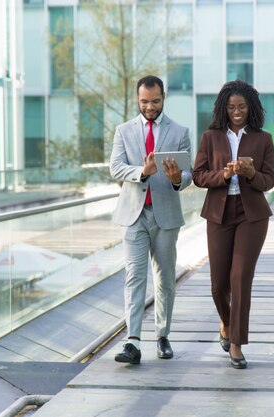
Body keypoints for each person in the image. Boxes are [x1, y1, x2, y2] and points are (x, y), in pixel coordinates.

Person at [192, 80, 274, 369]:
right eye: (231, 107)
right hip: (219, 213)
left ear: (250, 107)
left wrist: (252, 173)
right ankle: (226, 324)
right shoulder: (210, 137)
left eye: (241, 107)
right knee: (218, 284)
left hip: (252, 215)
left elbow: (269, 181)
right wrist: (223, 176)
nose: (236, 112)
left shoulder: (263, 139)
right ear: (223, 109)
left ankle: (237, 344)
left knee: (240, 278)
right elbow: (199, 176)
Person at [110, 75, 192, 364]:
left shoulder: (180, 131)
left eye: (155, 101)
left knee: (165, 278)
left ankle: (162, 335)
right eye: (144, 101)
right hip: (133, 216)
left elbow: (187, 175)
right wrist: (141, 172)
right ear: (137, 99)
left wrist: (175, 179)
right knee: (134, 277)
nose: (150, 106)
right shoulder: (124, 131)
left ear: (163, 97)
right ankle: (132, 341)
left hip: (166, 216)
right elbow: (116, 167)